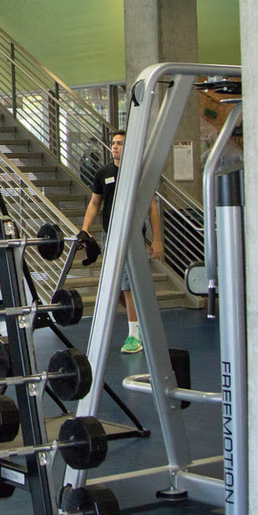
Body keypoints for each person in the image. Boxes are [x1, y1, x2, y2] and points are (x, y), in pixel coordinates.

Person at [80, 130, 164, 355]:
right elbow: (95, 203)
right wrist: (85, 229)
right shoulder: (104, 172)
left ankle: (134, 336)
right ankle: (143, 322)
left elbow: (152, 207)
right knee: (115, 288)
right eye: (113, 143)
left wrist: (157, 240)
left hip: (132, 236)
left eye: (120, 143)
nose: (115, 147)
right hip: (110, 236)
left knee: (127, 286)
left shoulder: (139, 173)